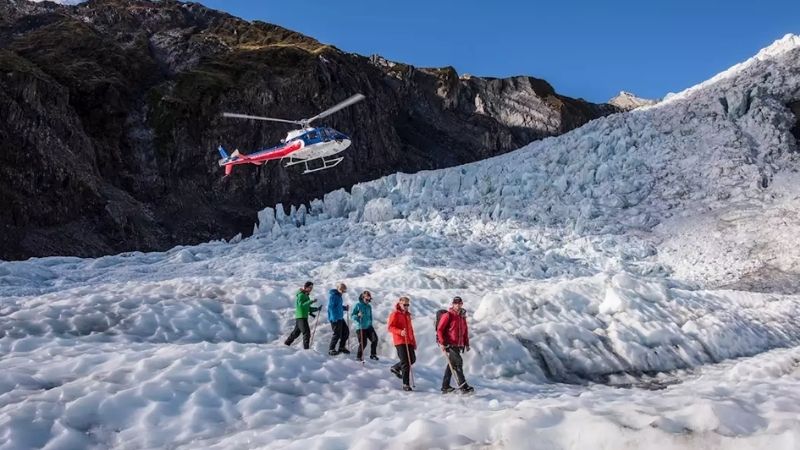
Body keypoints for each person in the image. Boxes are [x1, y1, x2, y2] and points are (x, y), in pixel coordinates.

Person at [437, 296, 474, 393]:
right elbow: (440, 330)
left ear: (462, 304)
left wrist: (466, 343)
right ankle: (463, 386)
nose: (457, 305)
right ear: (453, 304)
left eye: (459, 303)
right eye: (455, 303)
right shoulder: (448, 315)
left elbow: (465, 331)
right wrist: (442, 342)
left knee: (451, 365)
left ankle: (445, 386)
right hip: (450, 344)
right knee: (458, 363)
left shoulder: (462, 316)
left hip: (458, 345)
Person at [388, 296, 416, 391]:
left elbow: (410, 329)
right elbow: (390, 327)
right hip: (400, 340)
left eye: (408, 305)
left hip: (408, 340)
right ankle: (406, 384)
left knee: (412, 359)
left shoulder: (407, 315)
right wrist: (400, 332)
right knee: (405, 362)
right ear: (400, 304)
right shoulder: (395, 314)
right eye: (405, 305)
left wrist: (413, 341)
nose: (406, 306)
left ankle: (396, 367)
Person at [285, 281, 321, 349]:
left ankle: (286, 344)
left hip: (302, 317)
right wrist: (311, 301)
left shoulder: (306, 296)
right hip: (301, 317)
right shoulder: (301, 295)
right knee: (306, 333)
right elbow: (301, 305)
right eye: (310, 287)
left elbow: (307, 308)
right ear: (305, 287)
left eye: (312, 288)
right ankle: (306, 350)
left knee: (295, 333)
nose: (311, 289)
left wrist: (317, 309)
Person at [351, 290, 379, 361]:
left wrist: (370, 323)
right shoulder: (358, 305)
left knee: (375, 339)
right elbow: (352, 316)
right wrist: (357, 315)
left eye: (369, 300)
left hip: (369, 326)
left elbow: (370, 316)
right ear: (363, 298)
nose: (368, 301)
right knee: (363, 343)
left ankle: (373, 354)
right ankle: (359, 357)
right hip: (360, 327)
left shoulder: (369, 306)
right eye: (367, 299)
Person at [327, 282, 350, 355]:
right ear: (338, 288)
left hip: (340, 317)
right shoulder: (333, 296)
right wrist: (334, 318)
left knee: (346, 332)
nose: (342, 291)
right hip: (335, 318)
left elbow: (338, 306)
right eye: (341, 290)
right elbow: (331, 308)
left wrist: (345, 308)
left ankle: (341, 347)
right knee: (337, 334)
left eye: (344, 290)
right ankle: (331, 349)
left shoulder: (339, 296)